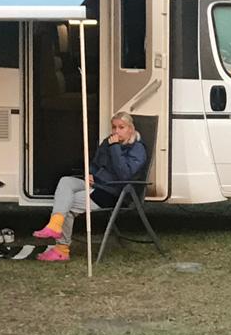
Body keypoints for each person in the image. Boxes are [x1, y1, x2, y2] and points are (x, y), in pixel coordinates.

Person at [34, 111, 147, 261]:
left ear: (131, 129)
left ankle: (62, 249)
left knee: (67, 203)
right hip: (97, 183)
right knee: (65, 181)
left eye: (121, 127)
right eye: (114, 127)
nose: (116, 131)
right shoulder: (108, 142)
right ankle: (55, 223)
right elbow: (95, 163)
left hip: (113, 191)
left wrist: (115, 148)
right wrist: (91, 173)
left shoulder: (137, 148)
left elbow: (124, 174)